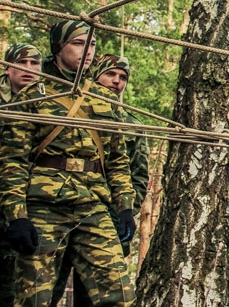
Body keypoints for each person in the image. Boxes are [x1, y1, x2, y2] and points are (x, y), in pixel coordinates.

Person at [0, 20, 136, 306]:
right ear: (58, 48)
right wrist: (17, 216)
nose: (87, 51)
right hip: (44, 206)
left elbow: (118, 160)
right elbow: (12, 161)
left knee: (120, 294)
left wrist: (125, 208)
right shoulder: (33, 97)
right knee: (33, 298)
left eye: (93, 45)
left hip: (92, 205)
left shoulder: (105, 99)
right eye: (78, 43)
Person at [49, 54, 149, 307]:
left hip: (107, 219)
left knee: (99, 297)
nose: (116, 81)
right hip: (59, 212)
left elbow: (138, 176)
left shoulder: (131, 124)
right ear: (95, 76)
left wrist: (125, 211)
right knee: (47, 290)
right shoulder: (65, 109)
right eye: (110, 74)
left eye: (122, 77)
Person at [0, 43, 43, 305]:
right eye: (22, 63)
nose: (28, 69)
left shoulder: (49, 104)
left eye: (35, 64)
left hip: (26, 206)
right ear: (7, 67)